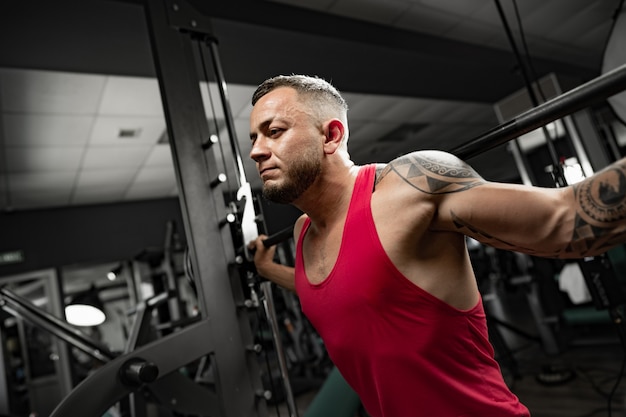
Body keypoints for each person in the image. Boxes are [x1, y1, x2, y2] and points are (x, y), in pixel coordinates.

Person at [246, 74, 626, 417]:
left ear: (331, 136)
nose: (257, 151)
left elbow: (566, 220)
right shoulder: (303, 233)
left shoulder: (409, 187)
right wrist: (267, 270)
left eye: (274, 131)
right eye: (254, 138)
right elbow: (336, 293)